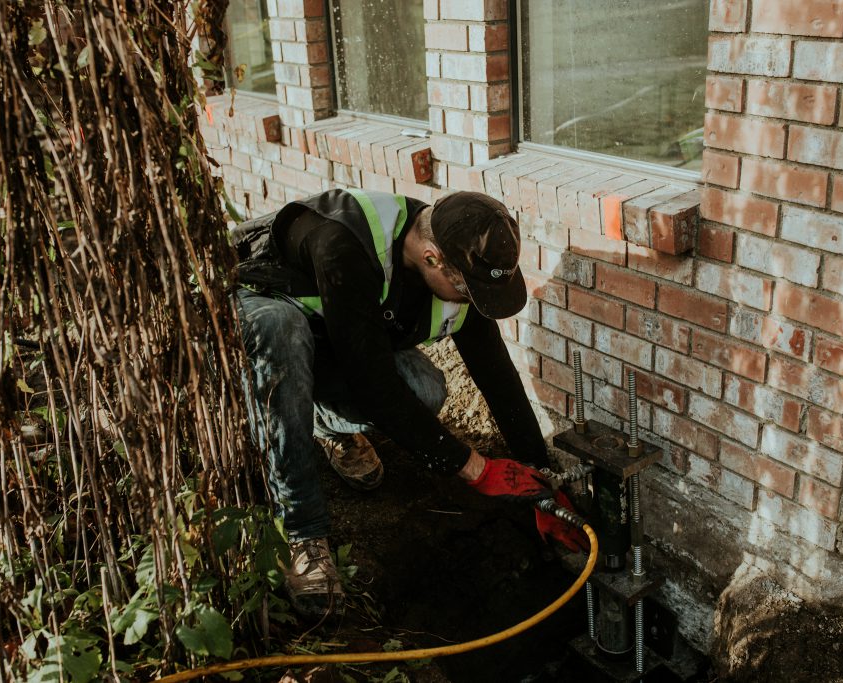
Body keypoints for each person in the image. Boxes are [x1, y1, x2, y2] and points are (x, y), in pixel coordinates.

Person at [231, 188, 586, 620]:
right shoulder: (345, 245)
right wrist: (476, 468)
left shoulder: (457, 263)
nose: (470, 300)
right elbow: (373, 387)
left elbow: (497, 377)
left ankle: (324, 424)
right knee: (281, 330)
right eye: (466, 289)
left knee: (426, 390)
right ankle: (303, 531)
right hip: (268, 304)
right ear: (433, 258)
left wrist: (541, 483)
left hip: (343, 337)